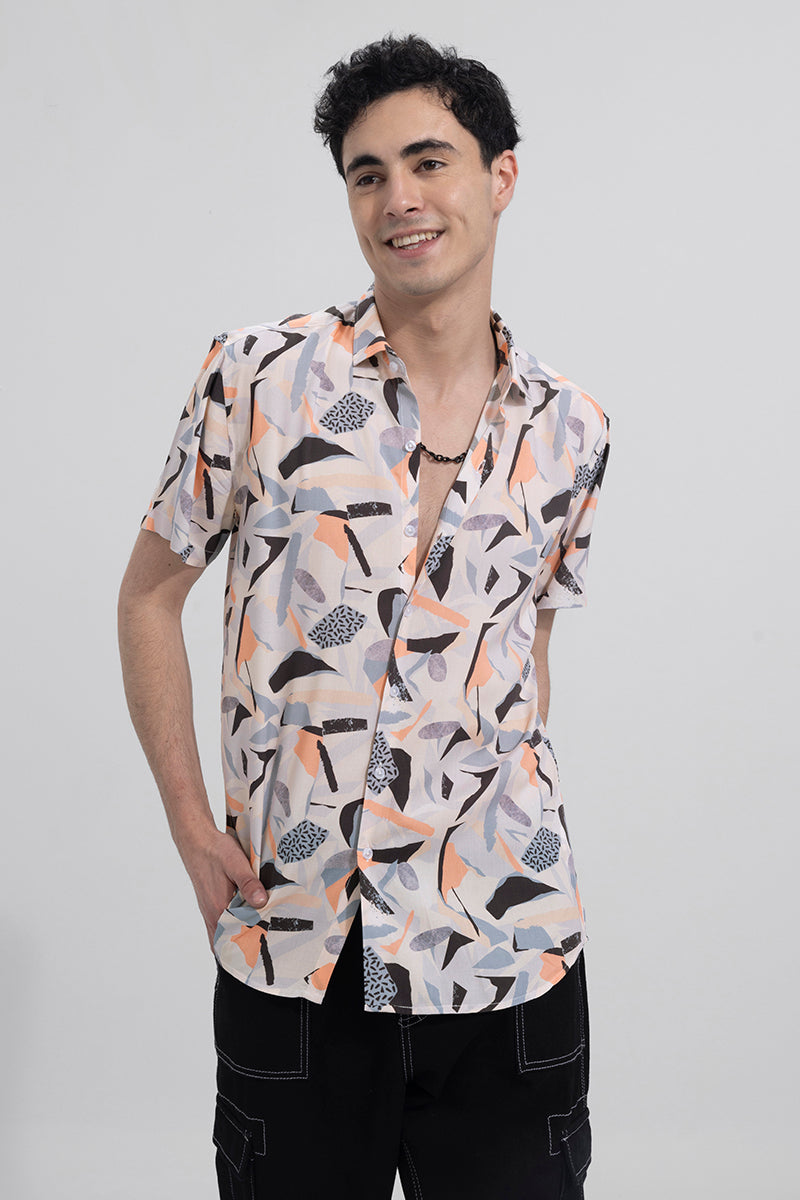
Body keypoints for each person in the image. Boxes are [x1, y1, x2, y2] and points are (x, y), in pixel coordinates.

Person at [118, 33, 609, 1200]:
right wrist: (189, 821)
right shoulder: (255, 379)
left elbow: (526, 652)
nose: (399, 200)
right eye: (367, 174)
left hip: (505, 958)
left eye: (428, 161)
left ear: (499, 174)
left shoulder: (572, 431)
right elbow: (148, 595)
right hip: (297, 949)